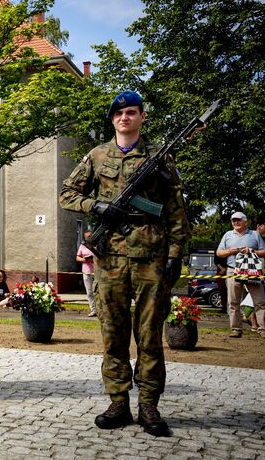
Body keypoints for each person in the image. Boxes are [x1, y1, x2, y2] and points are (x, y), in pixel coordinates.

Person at [59, 90, 191, 437]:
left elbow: (176, 211)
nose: (124, 118)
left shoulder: (160, 159)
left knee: (149, 336)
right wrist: (97, 207)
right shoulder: (96, 155)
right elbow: (67, 194)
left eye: (131, 112)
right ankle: (118, 401)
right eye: (119, 113)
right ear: (113, 119)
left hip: (150, 258)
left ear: (142, 117)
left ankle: (149, 405)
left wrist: (176, 255)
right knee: (113, 334)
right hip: (110, 258)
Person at [215, 212, 265, 339]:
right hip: (233, 270)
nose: (235, 222)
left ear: (246, 222)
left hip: (251, 271)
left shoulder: (255, 234)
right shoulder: (227, 235)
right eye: (233, 220)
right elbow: (218, 253)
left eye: (238, 220)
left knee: (260, 301)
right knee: (233, 302)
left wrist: (251, 251)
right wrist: (229, 251)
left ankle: (263, 329)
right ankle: (236, 329)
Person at [76, 231, 97, 317]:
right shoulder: (82, 246)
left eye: (90, 236)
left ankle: (100, 309)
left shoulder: (96, 245)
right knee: (89, 292)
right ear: (85, 237)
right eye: (87, 236)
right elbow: (77, 257)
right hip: (86, 272)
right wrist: (84, 260)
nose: (89, 238)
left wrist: (93, 260)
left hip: (96, 272)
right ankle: (93, 310)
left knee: (97, 292)